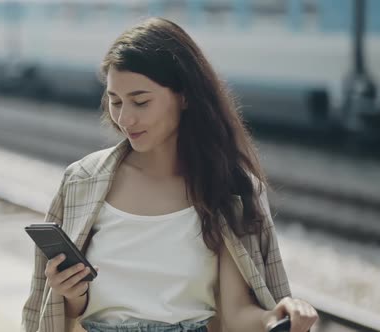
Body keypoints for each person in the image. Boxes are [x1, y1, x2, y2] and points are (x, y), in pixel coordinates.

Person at [21, 17, 318, 332]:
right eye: (115, 101)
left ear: (185, 96)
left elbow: (235, 314)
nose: (125, 118)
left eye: (141, 101)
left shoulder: (228, 189)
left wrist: (276, 317)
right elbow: (61, 315)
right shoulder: (82, 181)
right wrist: (70, 297)